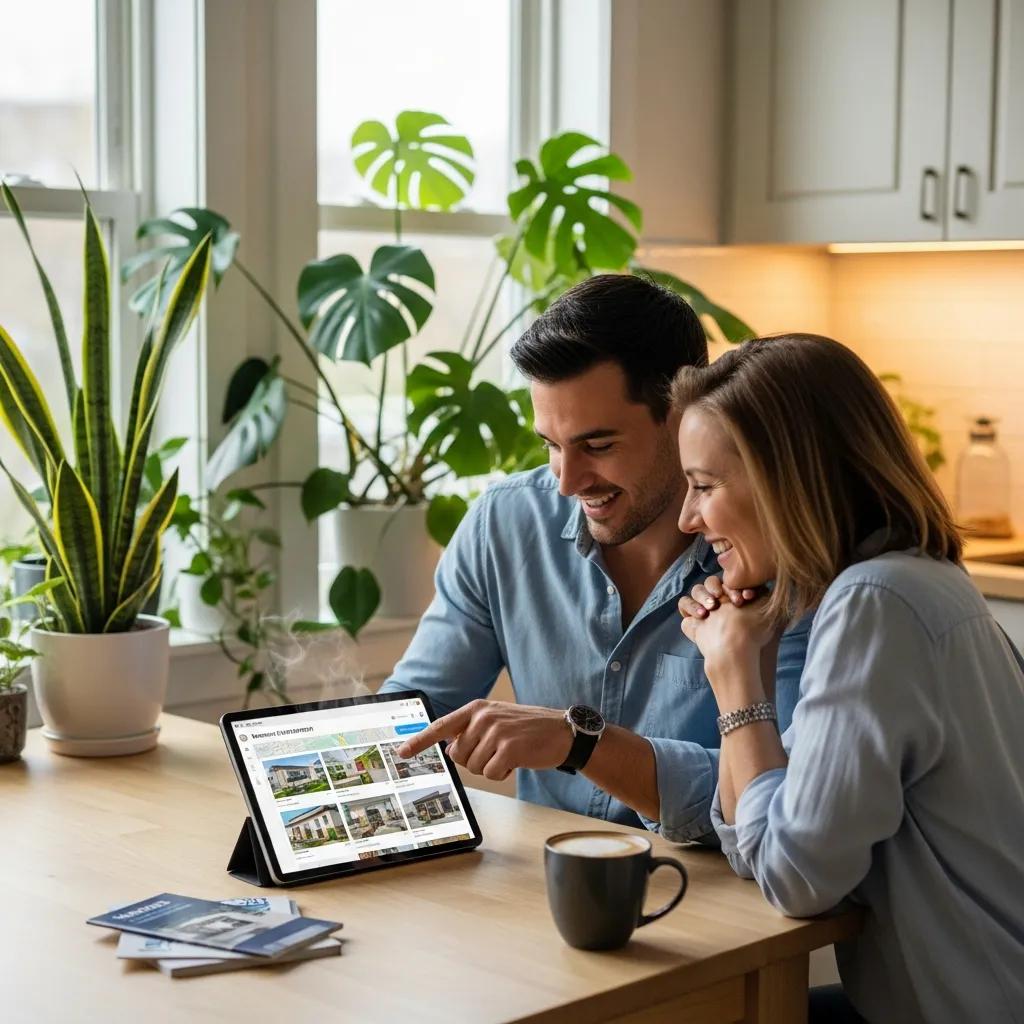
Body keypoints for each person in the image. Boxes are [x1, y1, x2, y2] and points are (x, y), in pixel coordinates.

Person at [381, 274, 810, 842]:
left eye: (598, 446)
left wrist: (582, 743)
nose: (567, 483)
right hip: (549, 888)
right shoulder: (506, 523)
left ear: (683, 416)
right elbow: (416, 712)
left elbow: (781, 794)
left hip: (722, 899)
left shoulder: (777, 553)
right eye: (552, 446)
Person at [673, 333, 1024, 1023]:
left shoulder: (875, 606)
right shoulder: (913, 583)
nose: (688, 517)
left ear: (786, 481)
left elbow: (795, 879)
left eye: (704, 486)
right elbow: (763, 843)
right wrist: (758, 660)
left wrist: (736, 678)